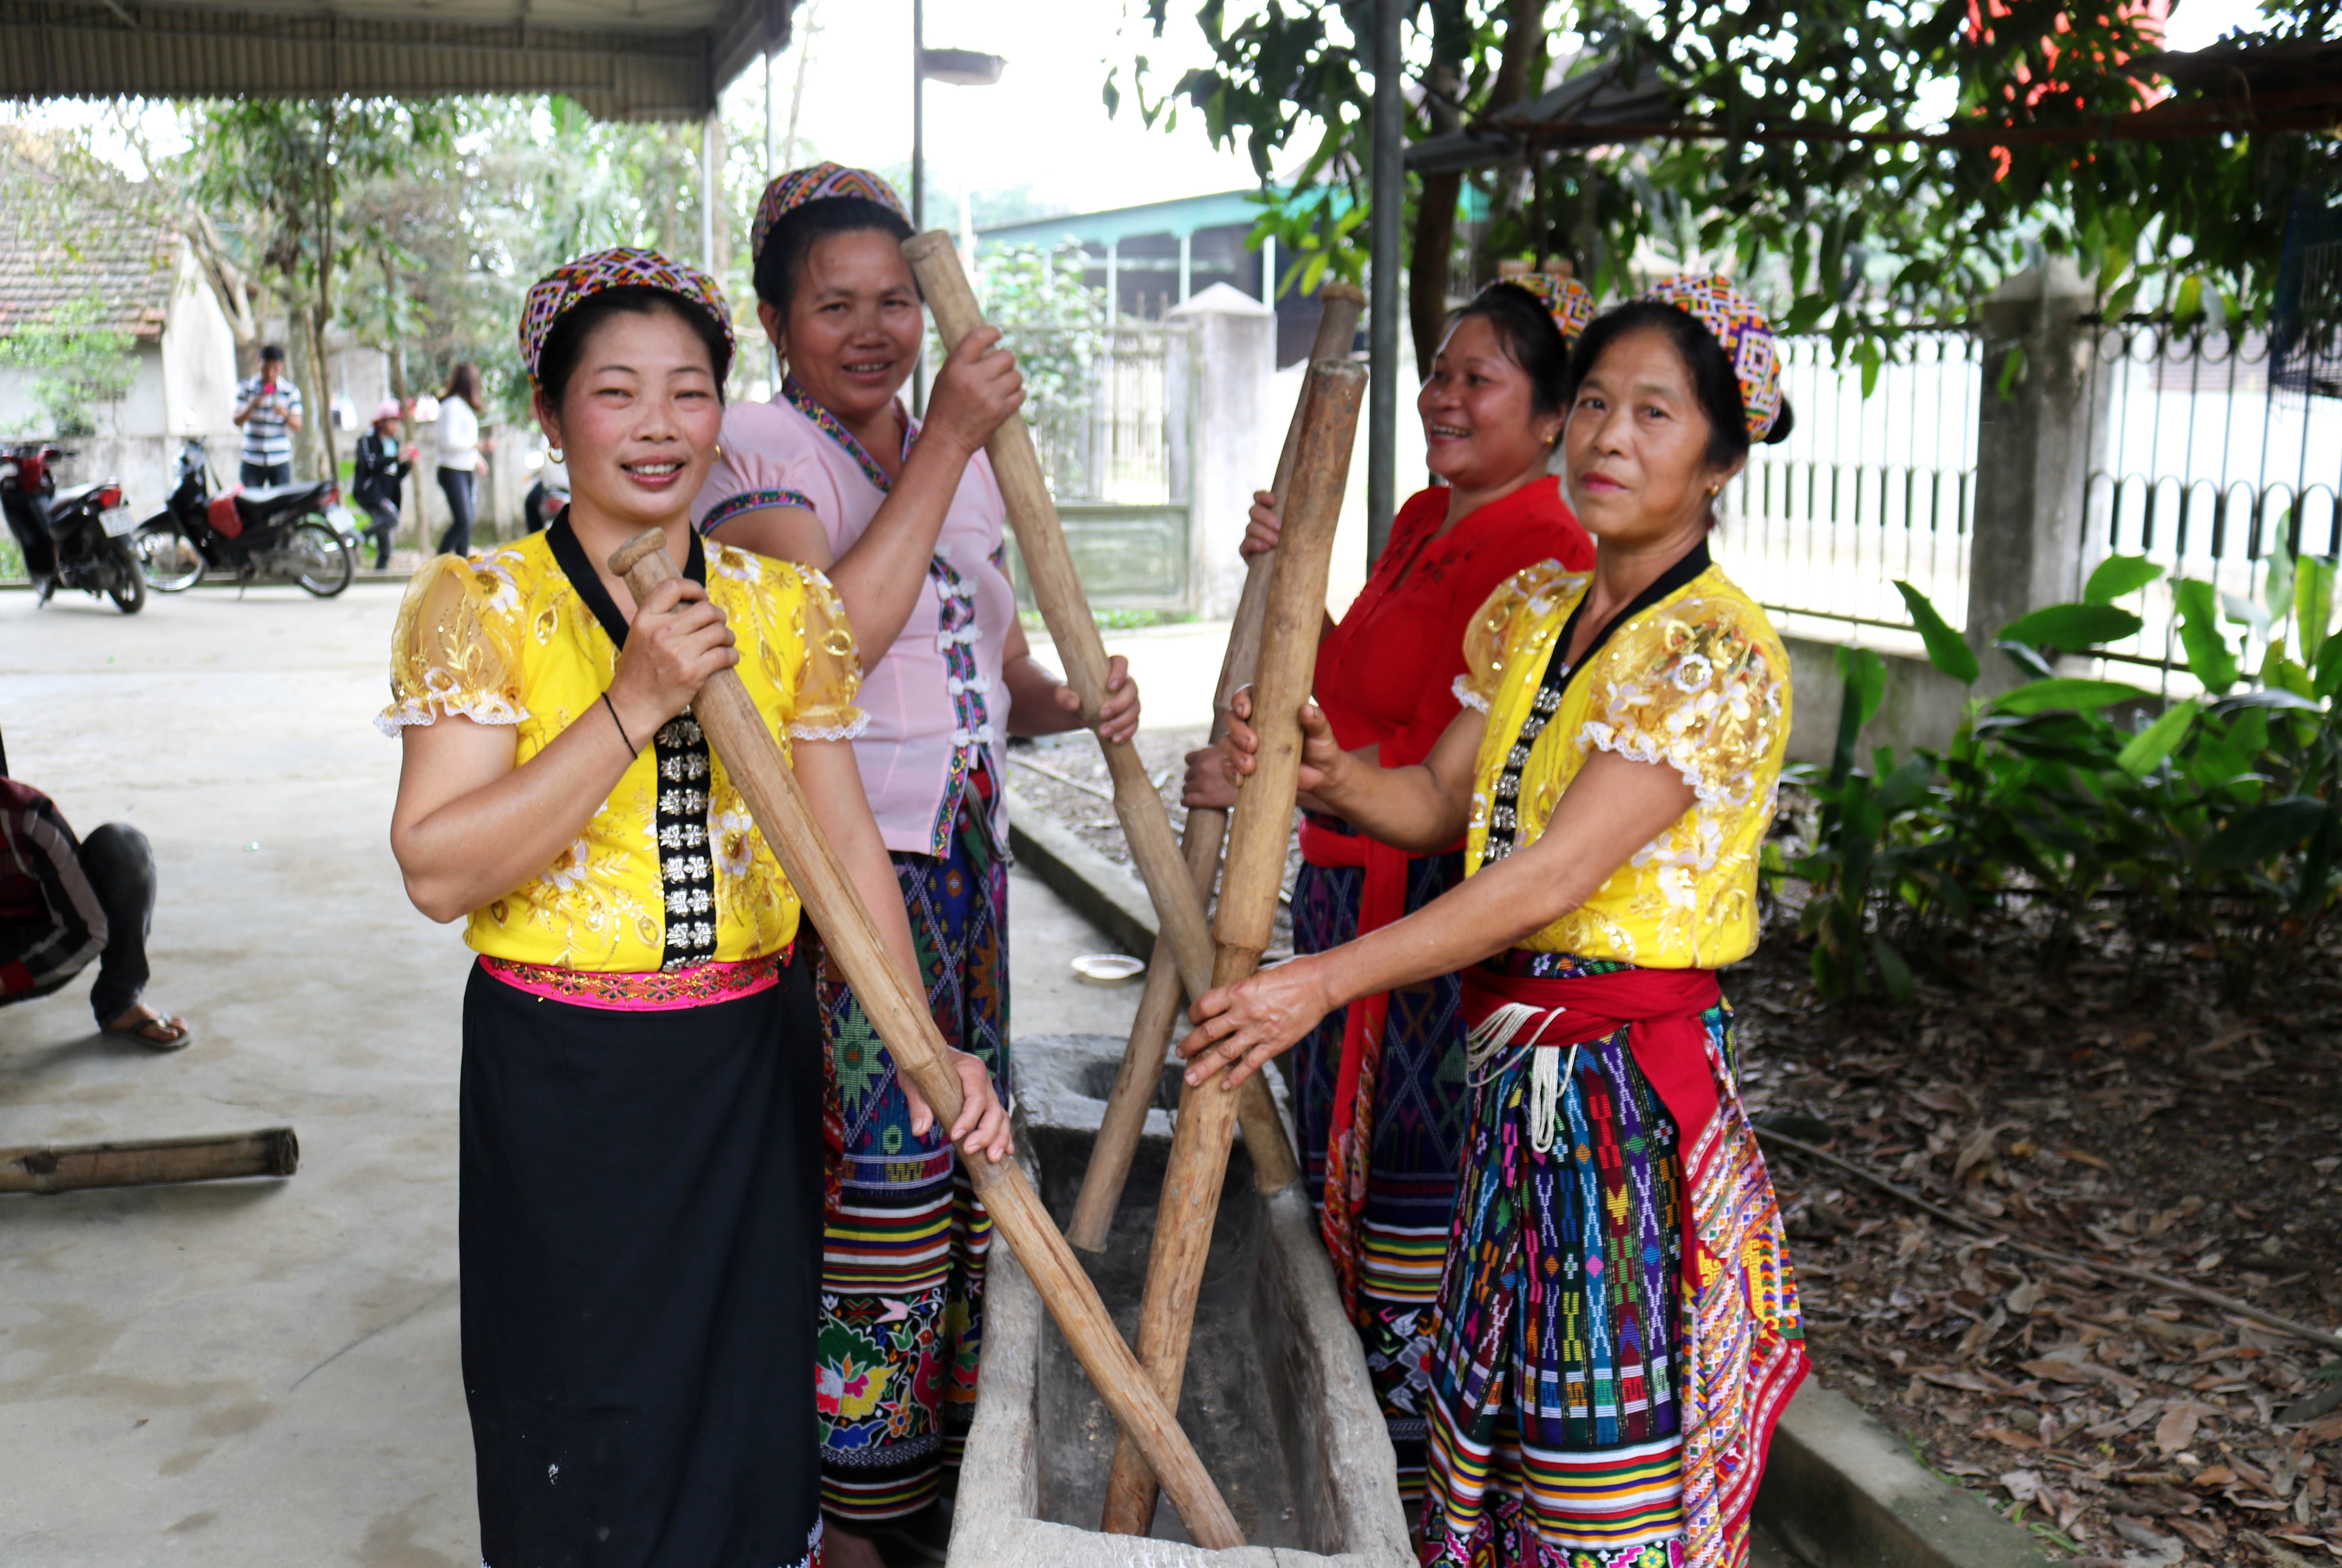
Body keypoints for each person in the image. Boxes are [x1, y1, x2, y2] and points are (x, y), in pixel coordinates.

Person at [383, 244, 1013, 1568]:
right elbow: (439, 868)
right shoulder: (479, 604)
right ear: (553, 415)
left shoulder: (787, 611)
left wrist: (922, 1040)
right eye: (617, 392)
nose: (659, 424)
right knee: (585, 1406)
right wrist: (632, 700)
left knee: (745, 1406)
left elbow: (844, 855)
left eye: (688, 389)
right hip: (565, 1080)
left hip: (748, 1061)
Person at [1185, 275, 1807, 1568]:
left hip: (1622, 1105)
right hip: (1517, 1086)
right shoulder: (1535, 615)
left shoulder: (1715, 652)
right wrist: (1323, 763)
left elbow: (1546, 879)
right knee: (1510, 1443)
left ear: (1721, 460)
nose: (1609, 438)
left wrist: (1323, 980)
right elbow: (1430, 802)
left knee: (1607, 1479)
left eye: (1655, 413)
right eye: (1592, 403)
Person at [690, 163, 1136, 1567]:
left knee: (962, 1167)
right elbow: (820, 644)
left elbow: (992, 668)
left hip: (967, 867)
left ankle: (938, 1478)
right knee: (881, 1180)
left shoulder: (957, 470)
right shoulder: (758, 448)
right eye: (837, 304)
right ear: (776, 318)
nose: (876, 329)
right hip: (844, 875)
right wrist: (947, 439)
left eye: (897, 300)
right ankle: (853, 1521)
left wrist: (1075, 698)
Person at [1184, 269, 1598, 1509]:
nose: (1442, 398)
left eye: (1480, 379)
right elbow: (1348, 684)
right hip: (1342, 869)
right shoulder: (1429, 515)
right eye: (1440, 372)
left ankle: (1405, 1483)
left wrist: (1314, 782)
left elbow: (1440, 786)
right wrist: (1294, 567)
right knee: (1347, 1190)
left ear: (1551, 413)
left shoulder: (1547, 549)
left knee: (1411, 1196)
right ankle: (1358, 1451)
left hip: (1418, 904)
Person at [0, 728, 191, 1048]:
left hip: (36, 941)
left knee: (122, 848)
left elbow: (87, 930)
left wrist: (6, 981)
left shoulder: (27, 817)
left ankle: (120, 1002)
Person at [432, 362, 491, 557]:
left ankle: (462, 565)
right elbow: (449, 442)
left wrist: (477, 458)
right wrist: (477, 446)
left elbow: (464, 442)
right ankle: (437, 565)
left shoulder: (463, 408)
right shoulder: (452, 407)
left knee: (467, 522)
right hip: (451, 470)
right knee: (463, 520)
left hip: (464, 469)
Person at [352, 399, 413, 570]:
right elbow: (372, 464)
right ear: (382, 422)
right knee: (391, 519)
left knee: (386, 545)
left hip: (387, 495)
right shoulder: (367, 440)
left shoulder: (394, 443)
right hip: (369, 492)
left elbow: (395, 475)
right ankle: (357, 538)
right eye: (391, 421)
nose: (395, 426)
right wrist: (397, 457)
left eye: (397, 421)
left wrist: (407, 464)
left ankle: (379, 574)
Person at [232, 345, 302, 488]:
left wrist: (284, 414)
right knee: (249, 503)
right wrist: (251, 406)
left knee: (281, 504)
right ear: (259, 365)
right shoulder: (246, 388)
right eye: (266, 368)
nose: (270, 374)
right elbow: (237, 420)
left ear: (281, 367)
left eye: (275, 369)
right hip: (252, 458)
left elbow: (298, 425)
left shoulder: (290, 391)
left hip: (279, 459)